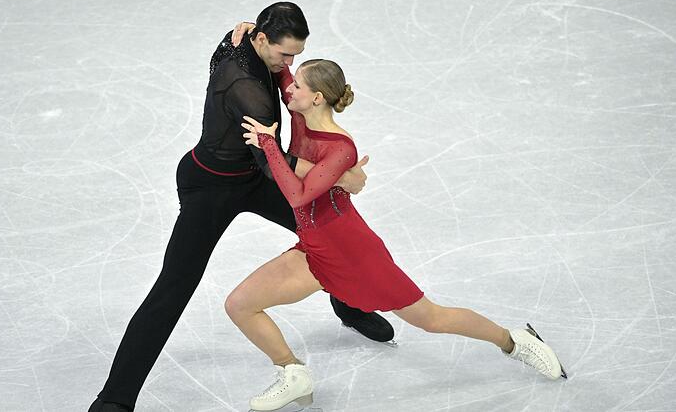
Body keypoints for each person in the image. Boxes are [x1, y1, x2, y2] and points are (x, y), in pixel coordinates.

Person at [89, 2, 394, 412]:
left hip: (251, 177)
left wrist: (246, 31)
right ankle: (115, 399)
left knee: (332, 234)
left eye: (296, 55)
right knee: (174, 286)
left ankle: (350, 306)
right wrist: (340, 174)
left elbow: (226, 49)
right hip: (211, 187)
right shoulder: (248, 92)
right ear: (263, 40)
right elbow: (270, 164)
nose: (290, 66)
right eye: (285, 55)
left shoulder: (242, 42)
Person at [227, 59, 568, 411]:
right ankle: (292, 373)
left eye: (298, 86)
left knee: (431, 318)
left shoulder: (342, 148)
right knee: (240, 304)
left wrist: (268, 144)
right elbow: (282, 71)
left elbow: (298, 195)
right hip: (314, 247)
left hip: (352, 250)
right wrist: (252, 37)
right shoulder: (301, 115)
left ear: (317, 98)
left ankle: (513, 341)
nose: (289, 91)